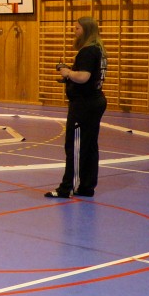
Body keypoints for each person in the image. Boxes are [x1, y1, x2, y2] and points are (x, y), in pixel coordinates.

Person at [45, 16, 107, 199]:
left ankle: (66, 188)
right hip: (94, 101)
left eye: (77, 28)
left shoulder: (87, 51)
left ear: (86, 30)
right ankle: (87, 186)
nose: (74, 31)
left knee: (75, 146)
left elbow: (83, 77)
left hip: (84, 105)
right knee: (89, 146)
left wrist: (68, 72)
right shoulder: (99, 50)